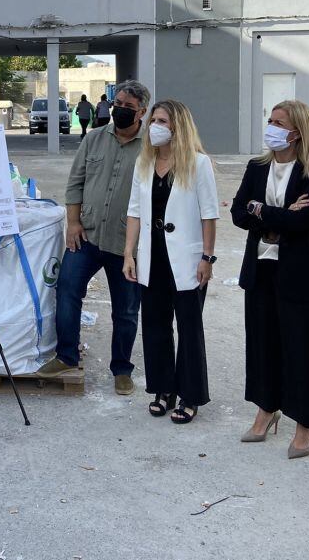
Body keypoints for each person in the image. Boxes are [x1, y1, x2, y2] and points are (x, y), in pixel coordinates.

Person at [230, 100, 309, 459]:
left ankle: (305, 423)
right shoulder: (257, 166)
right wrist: (274, 213)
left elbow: (303, 222)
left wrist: (259, 211)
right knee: (262, 343)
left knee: (303, 348)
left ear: (297, 132)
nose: (271, 127)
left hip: (302, 273)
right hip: (261, 268)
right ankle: (266, 410)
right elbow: (237, 212)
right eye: (270, 120)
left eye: (279, 122)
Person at [38, 80, 150, 395]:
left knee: (126, 310)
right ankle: (66, 356)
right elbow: (76, 182)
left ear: (142, 111)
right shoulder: (95, 139)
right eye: (119, 104)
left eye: (129, 107)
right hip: (86, 237)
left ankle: (122, 369)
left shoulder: (152, 147)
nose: (121, 111)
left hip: (126, 245)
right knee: (67, 291)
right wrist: (72, 222)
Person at [123, 100, 218, 424]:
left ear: (177, 126)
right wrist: (129, 254)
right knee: (155, 325)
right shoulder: (144, 163)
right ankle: (163, 389)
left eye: (161, 120)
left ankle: (190, 395)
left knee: (189, 328)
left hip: (187, 259)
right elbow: (134, 211)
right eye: (153, 119)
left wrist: (207, 257)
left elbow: (209, 214)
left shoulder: (199, 164)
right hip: (153, 257)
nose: (154, 126)